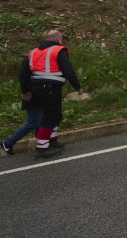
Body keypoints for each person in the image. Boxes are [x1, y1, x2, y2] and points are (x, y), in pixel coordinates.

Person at [20, 30, 84, 159]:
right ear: (57, 39)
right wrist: (77, 86)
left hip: (36, 89)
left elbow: (24, 73)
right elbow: (68, 70)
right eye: (61, 39)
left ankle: (53, 140)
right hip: (50, 89)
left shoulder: (33, 52)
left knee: (56, 114)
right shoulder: (58, 50)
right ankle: (42, 148)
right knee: (49, 117)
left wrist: (25, 91)